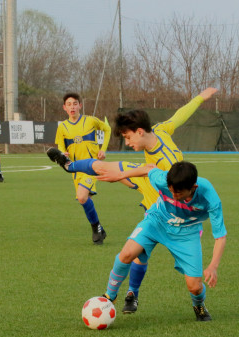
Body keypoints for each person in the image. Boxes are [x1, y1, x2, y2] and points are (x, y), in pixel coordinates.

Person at [48, 87, 218, 314]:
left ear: (139, 131)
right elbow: (179, 115)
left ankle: (149, 296)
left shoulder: (170, 160)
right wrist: (200, 98)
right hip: (153, 188)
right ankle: (69, 166)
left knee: (191, 284)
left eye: (128, 137)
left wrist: (122, 175)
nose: (127, 143)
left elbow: (157, 174)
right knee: (133, 251)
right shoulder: (159, 131)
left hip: (166, 195)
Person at [100, 161, 227, 321]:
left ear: (193, 188)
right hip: (156, 221)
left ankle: (199, 305)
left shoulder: (210, 199)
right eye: (171, 192)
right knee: (126, 254)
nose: (174, 197)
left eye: (179, 194)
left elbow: (220, 237)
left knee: (194, 287)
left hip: (186, 233)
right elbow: (149, 169)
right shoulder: (163, 179)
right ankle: (109, 296)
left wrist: (213, 266)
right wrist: (119, 176)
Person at [53, 92, 112, 245]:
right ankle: (99, 228)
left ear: (80, 105)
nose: (72, 107)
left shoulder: (91, 121)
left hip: (91, 167)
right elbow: (60, 148)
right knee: (85, 200)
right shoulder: (62, 128)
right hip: (75, 170)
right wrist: (63, 153)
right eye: (69, 104)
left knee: (81, 196)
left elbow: (107, 129)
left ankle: (95, 229)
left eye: (74, 103)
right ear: (64, 108)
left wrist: (103, 149)